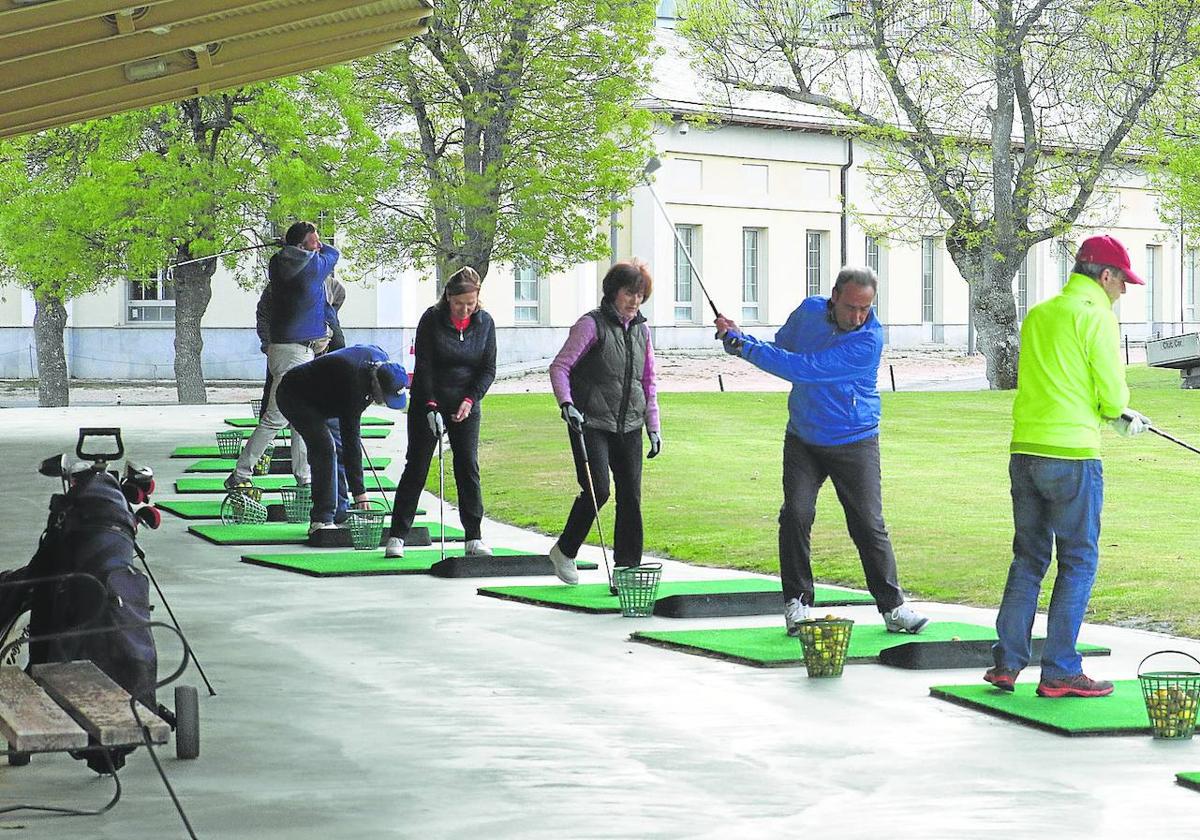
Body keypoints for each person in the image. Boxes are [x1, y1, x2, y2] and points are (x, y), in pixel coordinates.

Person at [715, 266, 928, 635]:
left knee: (867, 524)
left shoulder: (868, 341)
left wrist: (743, 347)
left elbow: (805, 369)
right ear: (834, 296)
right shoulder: (809, 311)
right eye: (851, 308)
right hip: (804, 437)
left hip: (854, 438)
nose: (857, 316)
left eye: (865, 308)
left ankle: (893, 609)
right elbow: (783, 349)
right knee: (796, 514)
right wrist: (739, 337)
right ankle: (797, 603)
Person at [985, 235, 1150, 698]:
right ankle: (1059, 669)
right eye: (1123, 283)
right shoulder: (1096, 316)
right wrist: (1121, 416)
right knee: (1078, 560)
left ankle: (1007, 663)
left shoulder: (1039, 314)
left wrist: (1106, 413)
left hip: (1026, 450)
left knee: (1029, 558)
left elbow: (1061, 379)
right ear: (1105, 276)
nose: (1124, 292)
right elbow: (1112, 394)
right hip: (1072, 455)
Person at [545, 259, 662, 585]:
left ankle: (627, 568)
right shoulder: (590, 325)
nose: (635, 300)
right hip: (590, 422)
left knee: (631, 496)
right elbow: (560, 368)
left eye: (640, 295)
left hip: (630, 424)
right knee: (598, 489)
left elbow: (648, 381)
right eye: (629, 293)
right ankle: (565, 551)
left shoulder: (642, 330)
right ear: (613, 292)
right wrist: (567, 404)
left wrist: (653, 425)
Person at [385, 267, 496, 558]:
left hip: (466, 403)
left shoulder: (484, 323)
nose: (464, 309)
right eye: (459, 303)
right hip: (429, 400)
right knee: (417, 466)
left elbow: (487, 369)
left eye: (470, 304)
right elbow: (424, 367)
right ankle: (397, 536)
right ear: (448, 297)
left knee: (467, 466)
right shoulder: (431, 319)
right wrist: (431, 406)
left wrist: (470, 400)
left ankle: (474, 537)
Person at [226, 222, 339, 490]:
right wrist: (302, 248)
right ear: (302, 247)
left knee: (301, 416)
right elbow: (333, 253)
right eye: (314, 241)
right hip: (295, 354)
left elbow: (306, 251)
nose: (319, 245)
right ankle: (241, 473)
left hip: (284, 349)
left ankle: (304, 476)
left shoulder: (278, 262)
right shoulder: (312, 268)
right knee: (276, 418)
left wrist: (291, 247)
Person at [274, 344, 407, 534]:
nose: (384, 401)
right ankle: (321, 520)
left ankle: (340, 513)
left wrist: (357, 490)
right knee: (325, 450)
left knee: (338, 450)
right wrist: (360, 493)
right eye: (384, 397)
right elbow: (351, 442)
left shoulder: (380, 359)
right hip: (294, 395)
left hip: (329, 396)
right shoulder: (353, 384)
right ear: (376, 384)